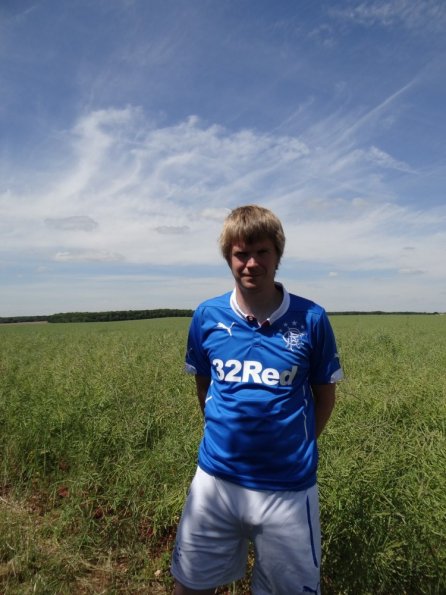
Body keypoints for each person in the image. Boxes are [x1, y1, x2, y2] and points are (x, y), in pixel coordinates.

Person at [171, 205, 343, 595]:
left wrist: (295, 446)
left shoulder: (311, 318)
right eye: (240, 253)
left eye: (262, 252)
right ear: (228, 257)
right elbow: (204, 386)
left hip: (288, 490)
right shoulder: (206, 316)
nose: (251, 263)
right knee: (189, 586)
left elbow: (324, 397)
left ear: (278, 254)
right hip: (214, 481)